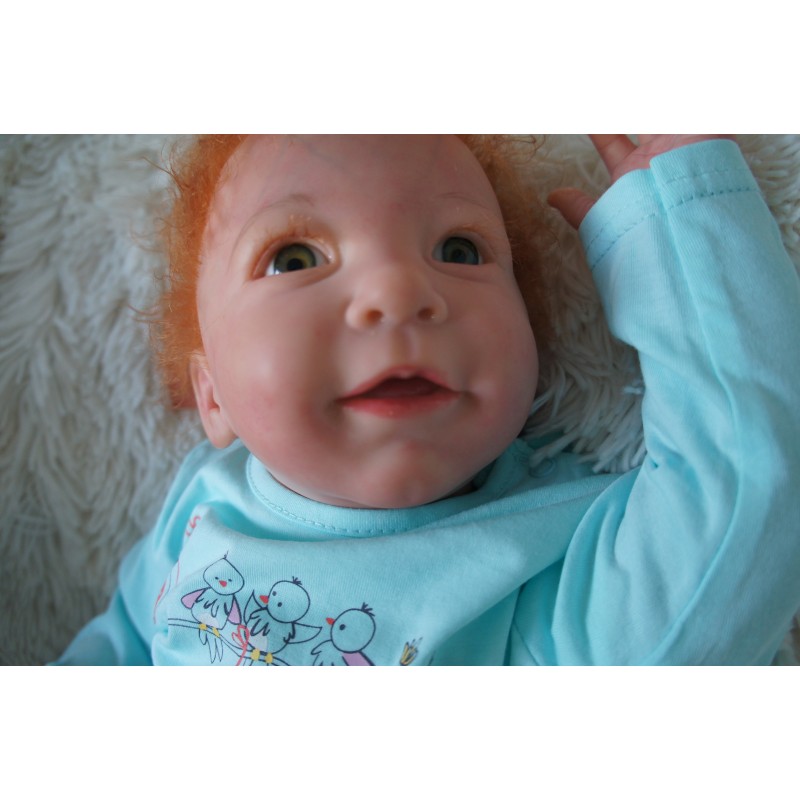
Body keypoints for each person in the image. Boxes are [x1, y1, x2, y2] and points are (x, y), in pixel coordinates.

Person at [56, 134, 800, 666]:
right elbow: (119, 648)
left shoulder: (545, 566)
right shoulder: (199, 511)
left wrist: (685, 231)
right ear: (212, 396)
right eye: (294, 258)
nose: (399, 290)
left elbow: (746, 480)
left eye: (459, 250)